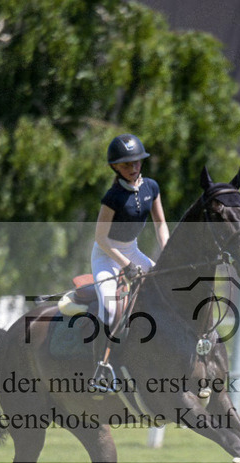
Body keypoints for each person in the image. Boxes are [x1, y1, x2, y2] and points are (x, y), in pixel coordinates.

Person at [90, 133, 169, 391]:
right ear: (115, 167)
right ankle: (101, 367)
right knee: (111, 309)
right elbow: (101, 238)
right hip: (107, 256)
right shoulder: (112, 198)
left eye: (137, 162)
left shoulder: (151, 188)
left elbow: (161, 224)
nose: (133, 168)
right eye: (127, 164)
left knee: (163, 288)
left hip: (132, 251)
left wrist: (165, 252)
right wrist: (125, 265)